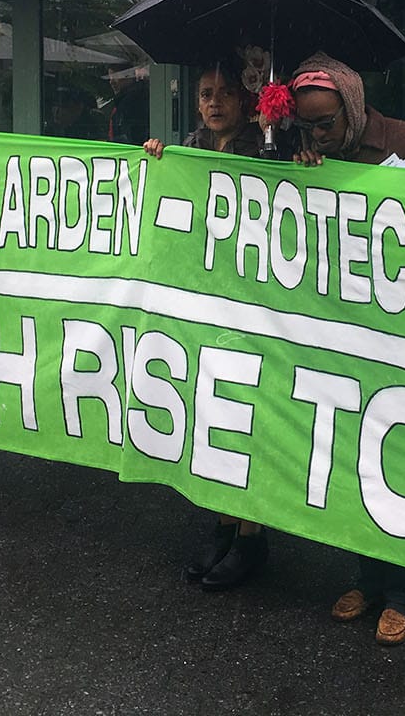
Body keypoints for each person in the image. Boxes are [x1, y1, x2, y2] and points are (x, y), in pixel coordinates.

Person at [289, 51, 405, 646]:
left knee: (403, 459)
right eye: (308, 125)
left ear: (352, 107)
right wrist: (305, 174)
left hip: (404, 334)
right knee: (354, 459)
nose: (319, 133)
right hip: (343, 334)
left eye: (326, 122)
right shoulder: (311, 156)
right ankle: (368, 578)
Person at [144, 58, 270, 590]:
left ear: (244, 101)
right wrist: (157, 163)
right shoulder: (188, 151)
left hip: (250, 307)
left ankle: (251, 536)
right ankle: (221, 525)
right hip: (204, 304)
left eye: (223, 93)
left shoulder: (268, 152)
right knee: (213, 415)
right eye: (204, 93)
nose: (213, 102)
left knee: (249, 418)